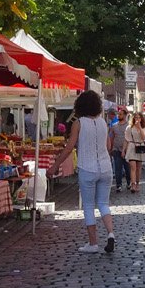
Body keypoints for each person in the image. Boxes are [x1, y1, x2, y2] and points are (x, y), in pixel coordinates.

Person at [53, 89, 115, 255]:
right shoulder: (103, 122)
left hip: (87, 168)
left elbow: (68, 148)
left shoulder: (78, 123)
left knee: (88, 205)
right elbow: (108, 146)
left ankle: (93, 243)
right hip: (106, 168)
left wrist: (55, 165)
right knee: (103, 204)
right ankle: (111, 233)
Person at [123, 112, 145, 193]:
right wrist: (123, 150)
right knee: (133, 167)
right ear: (133, 119)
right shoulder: (129, 128)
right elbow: (126, 140)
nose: (137, 119)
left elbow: (143, 138)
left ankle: (137, 183)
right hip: (132, 147)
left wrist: (139, 128)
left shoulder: (143, 128)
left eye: (139, 117)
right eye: (136, 117)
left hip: (140, 147)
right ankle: (132, 184)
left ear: (141, 119)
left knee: (138, 168)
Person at [109, 108, 130, 193]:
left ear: (125, 115)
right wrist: (110, 148)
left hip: (127, 150)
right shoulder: (114, 126)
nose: (119, 115)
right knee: (118, 168)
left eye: (121, 114)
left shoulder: (129, 126)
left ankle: (129, 183)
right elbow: (111, 137)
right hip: (116, 149)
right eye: (118, 114)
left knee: (127, 168)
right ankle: (119, 185)